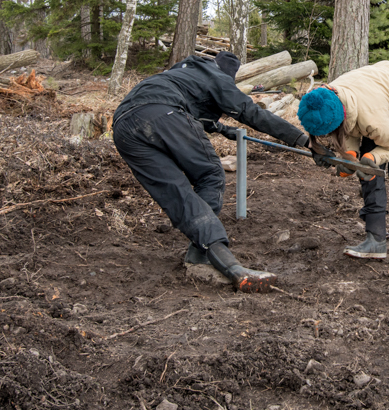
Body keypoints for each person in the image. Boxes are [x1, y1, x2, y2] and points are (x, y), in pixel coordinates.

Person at [112, 51, 311, 292]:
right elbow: (251, 112)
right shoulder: (216, 75)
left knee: (178, 192)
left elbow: (199, 113)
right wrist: (301, 139)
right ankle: (205, 253)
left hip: (124, 127)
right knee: (210, 175)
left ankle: (205, 252)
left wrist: (225, 129)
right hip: (164, 114)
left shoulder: (180, 74)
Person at [297, 61, 389, 259]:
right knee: (368, 174)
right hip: (382, 102)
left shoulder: (371, 117)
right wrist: (349, 160)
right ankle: (375, 240)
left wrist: (372, 157)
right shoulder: (329, 98)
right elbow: (350, 128)